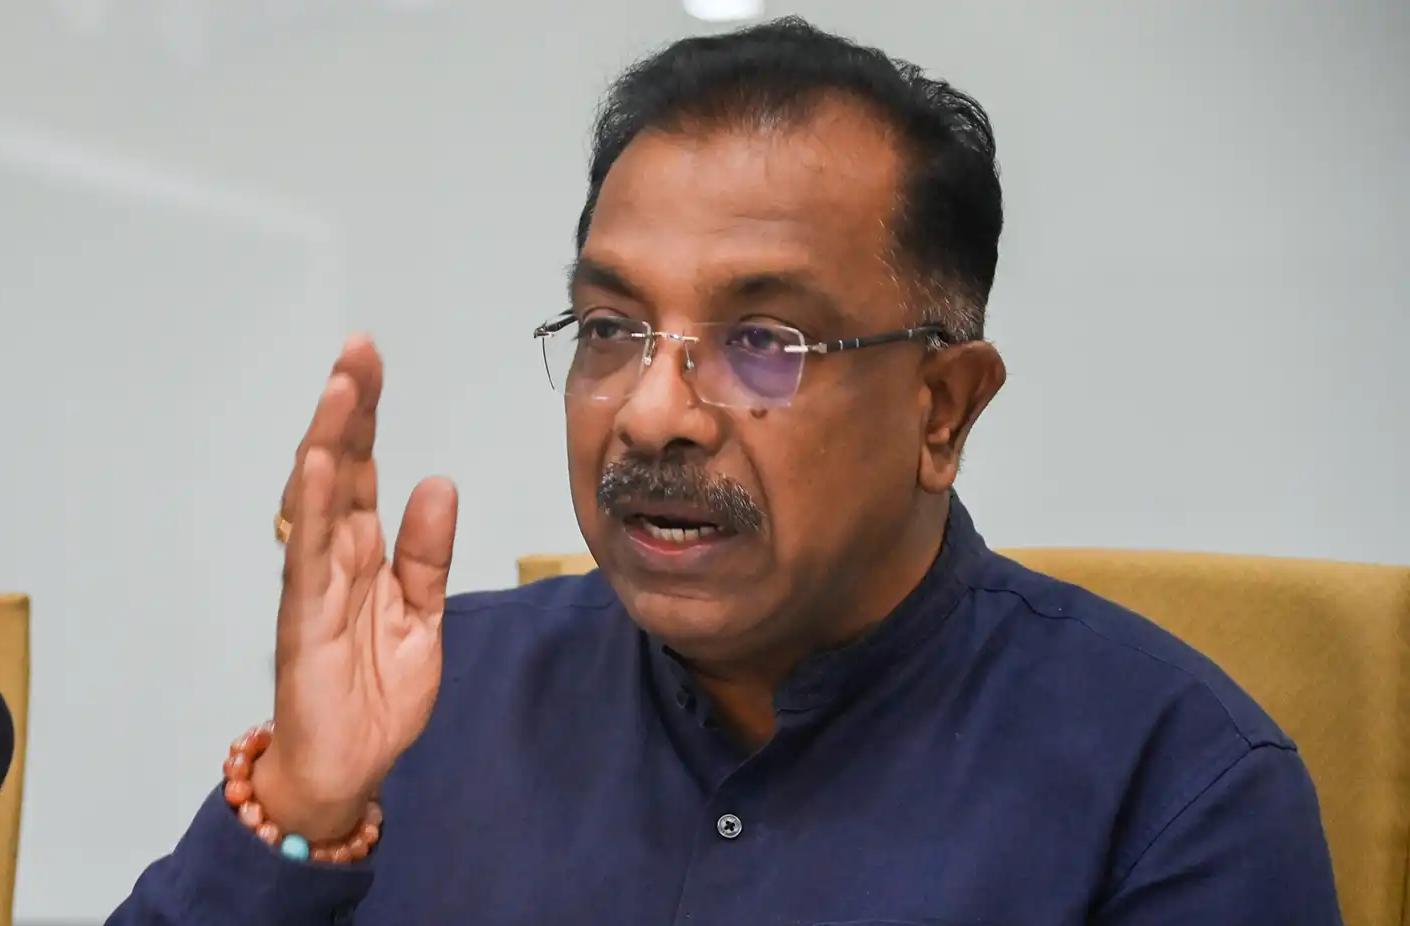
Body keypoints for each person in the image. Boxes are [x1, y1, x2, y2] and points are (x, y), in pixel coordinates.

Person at [108, 17, 1341, 925]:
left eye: (764, 342)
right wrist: (305, 807)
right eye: (612, 328)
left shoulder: (1172, 785)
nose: (653, 414)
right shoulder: (435, 706)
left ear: (942, 406)